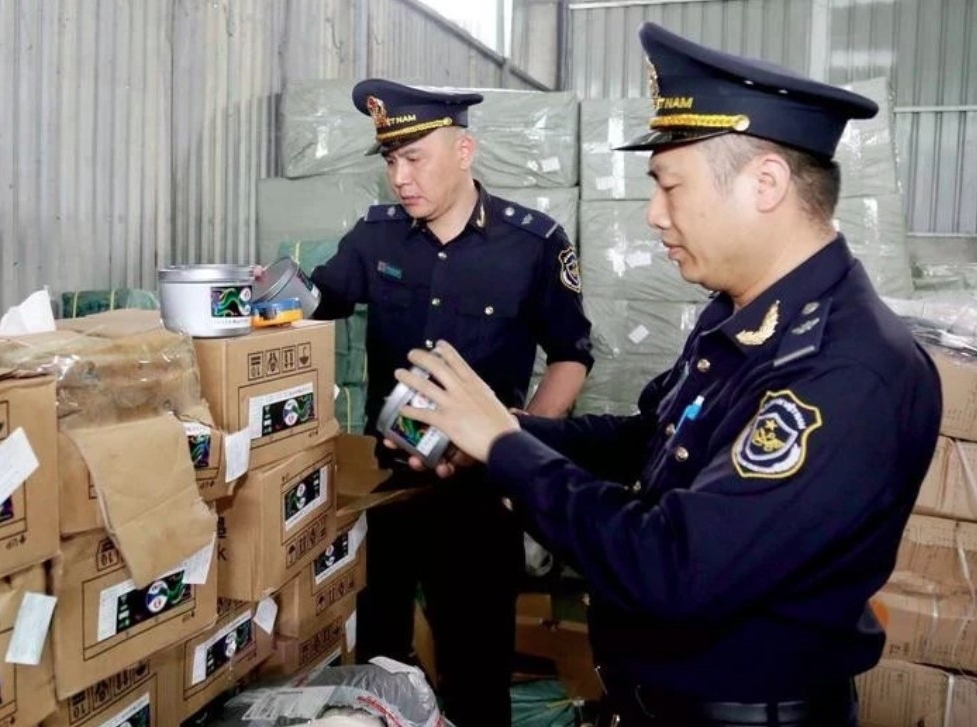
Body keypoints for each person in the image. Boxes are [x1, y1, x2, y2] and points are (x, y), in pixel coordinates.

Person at [387, 22, 943, 727]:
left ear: (765, 183)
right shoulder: (742, 315)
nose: (653, 214)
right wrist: (510, 430)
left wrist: (506, 449)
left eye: (669, 186)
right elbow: (652, 440)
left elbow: (673, 563)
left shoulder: (845, 371)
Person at [305, 78, 595, 726]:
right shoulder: (376, 237)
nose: (400, 178)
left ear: (464, 150)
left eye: (414, 159)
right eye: (389, 161)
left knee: (475, 674)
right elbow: (313, 308)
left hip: (478, 496)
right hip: (385, 492)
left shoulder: (533, 243)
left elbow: (571, 355)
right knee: (376, 669)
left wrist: (519, 448)